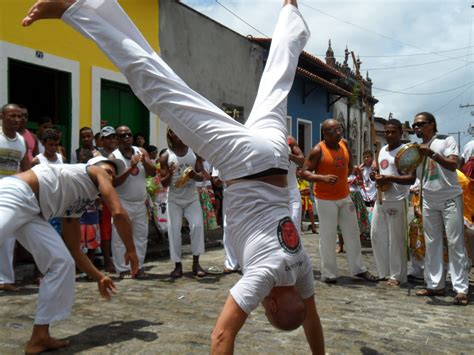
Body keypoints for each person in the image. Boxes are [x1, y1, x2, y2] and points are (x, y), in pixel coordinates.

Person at [22, 1, 325, 353]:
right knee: (159, 87)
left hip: (274, 154)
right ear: (271, 305)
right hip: (243, 163)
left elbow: (313, 320)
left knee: (278, 78)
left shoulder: (301, 265)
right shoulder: (263, 279)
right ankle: (77, 8)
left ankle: (290, 12)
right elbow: (222, 337)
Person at [0, 149, 139, 353]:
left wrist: (98, 276)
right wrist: (131, 250)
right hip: (16, 192)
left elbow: (74, 249)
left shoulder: (78, 204)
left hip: (32, 211)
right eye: (108, 169)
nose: (110, 174)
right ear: (95, 166)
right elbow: (118, 213)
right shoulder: (92, 171)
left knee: (61, 262)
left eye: (113, 174)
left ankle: (40, 336)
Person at [301, 119, 377, 284]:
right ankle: (329, 273)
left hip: (344, 196)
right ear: (325, 134)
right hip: (325, 199)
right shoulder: (317, 150)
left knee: (352, 232)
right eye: (334, 131)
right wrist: (322, 177)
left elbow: (348, 166)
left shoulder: (344, 145)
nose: (338, 133)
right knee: (328, 236)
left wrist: (352, 170)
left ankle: (359, 269)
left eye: (339, 129)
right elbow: (304, 172)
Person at [411, 112, 469, 305]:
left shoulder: (446, 140)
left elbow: (454, 164)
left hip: (449, 196)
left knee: (455, 242)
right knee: (432, 242)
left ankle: (460, 289)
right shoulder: (415, 149)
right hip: (428, 198)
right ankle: (435, 284)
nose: (416, 128)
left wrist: (432, 154)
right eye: (414, 125)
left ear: (432, 124)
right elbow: (413, 177)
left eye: (420, 124)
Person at [371, 119, 416, 286]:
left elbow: (411, 179)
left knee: (396, 239)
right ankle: (384, 271)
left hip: (397, 200)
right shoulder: (382, 150)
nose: (389, 135)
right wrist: (374, 176)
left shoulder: (406, 152)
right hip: (381, 198)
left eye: (393, 132)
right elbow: (380, 172)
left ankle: (397, 275)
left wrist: (390, 178)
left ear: (400, 133)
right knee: (376, 235)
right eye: (387, 132)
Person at [160, 129, 207, 278]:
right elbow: (164, 183)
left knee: (197, 226)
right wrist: (170, 173)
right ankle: (177, 265)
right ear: (170, 135)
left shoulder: (193, 152)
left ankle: (196, 262)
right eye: (174, 132)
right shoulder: (166, 156)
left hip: (191, 197)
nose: (178, 135)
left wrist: (194, 175)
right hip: (174, 199)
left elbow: (201, 177)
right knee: (174, 231)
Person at [110, 125, 156, 279]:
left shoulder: (141, 152)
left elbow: (153, 172)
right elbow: (113, 182)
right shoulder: (113, 157)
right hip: (122, 202)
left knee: (141, 236)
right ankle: (122, 269)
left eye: (129, 134)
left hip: (140, 202)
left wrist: (144, 162)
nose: (127, 137)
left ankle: (139, 267)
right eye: (122, 136)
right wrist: (131, 168)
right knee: (119, 237)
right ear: (116, 139)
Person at [0, 103, 31, 293]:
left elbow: (26, 169)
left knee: (8, 236)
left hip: (10, 193)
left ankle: (5, 279)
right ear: (2, 116)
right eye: (12, 116)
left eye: (19, 116)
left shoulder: (22, 141)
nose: (17, 120)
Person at [97, 125, 118, 272]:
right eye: (108, 138)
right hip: (104, 197)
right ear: (101, 140)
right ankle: (107, 260)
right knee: (106, 230)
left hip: (119, 195)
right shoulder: (97, 157)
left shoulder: (118, 155)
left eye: (113, 137)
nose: (111, 140)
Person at [288, 136, 304, 232]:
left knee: (294, 222)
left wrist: (289, 156)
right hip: (272, 193)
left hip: (292, 192)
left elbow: (302, 160)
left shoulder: (289, 140)